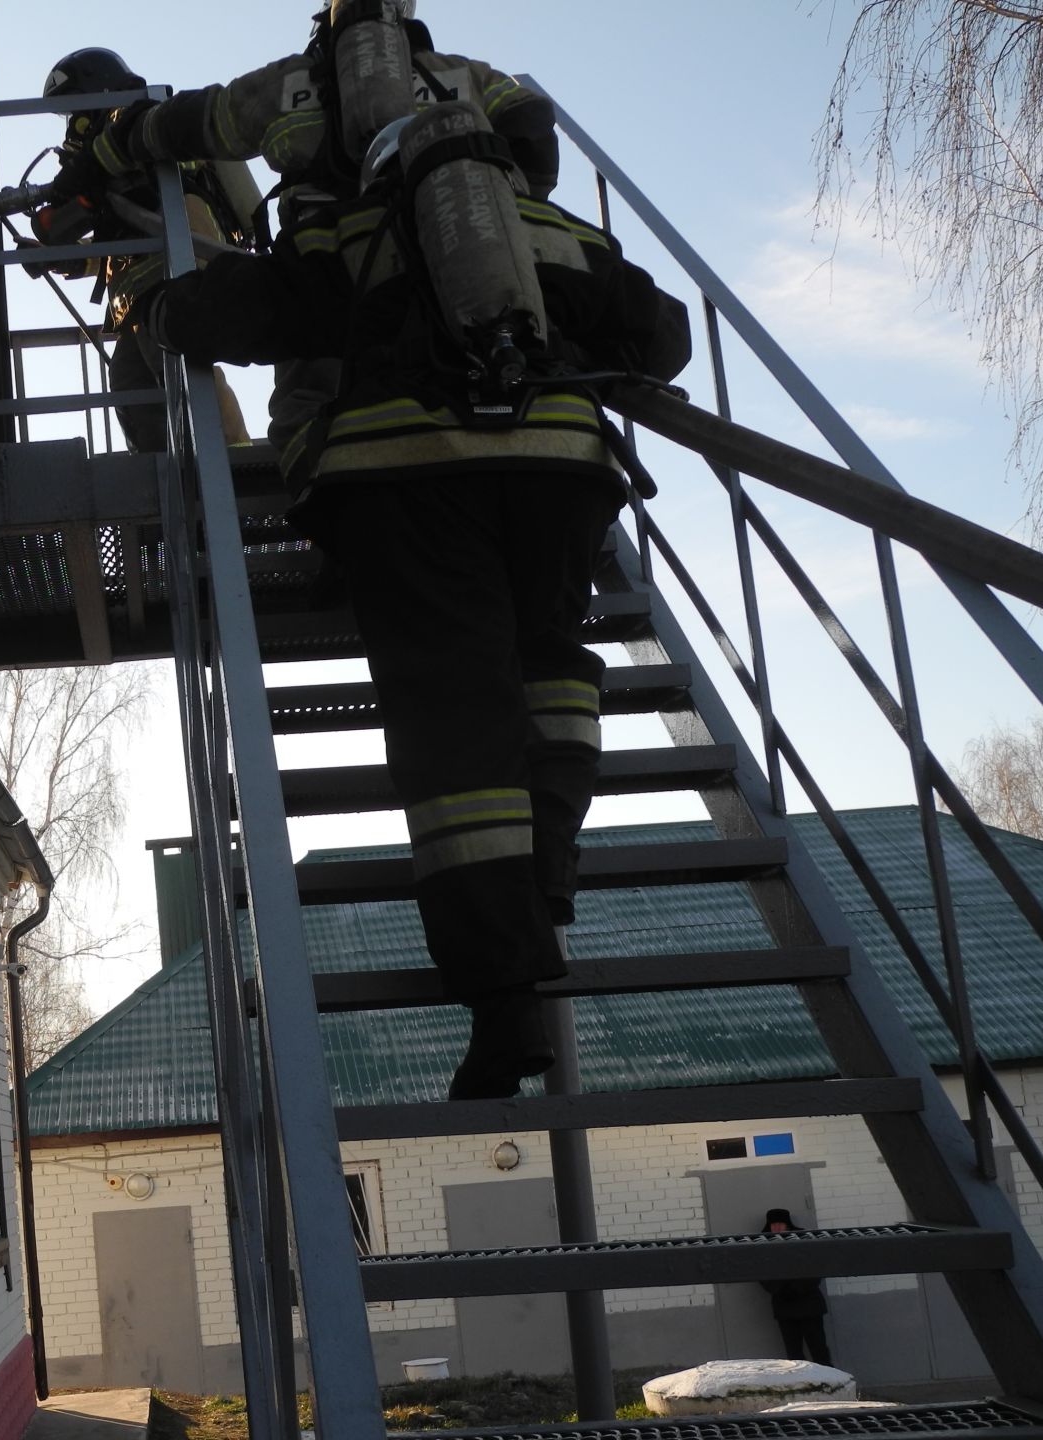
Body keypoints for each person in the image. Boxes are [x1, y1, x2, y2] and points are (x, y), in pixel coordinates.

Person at [140, 119, 691, 1099]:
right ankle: (546, 870)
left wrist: (164, 306)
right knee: (552, 676)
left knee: (458, 745)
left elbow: (246, 311)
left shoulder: (351, 229)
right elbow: (663, 338)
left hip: (408, 483)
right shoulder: (558, 227)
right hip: (562, 472)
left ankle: (503, 1001)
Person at [58, 3, 561, 460]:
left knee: (310, 419)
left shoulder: (289, 85)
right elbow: (536, 152)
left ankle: (319, 504)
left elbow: (190, 122)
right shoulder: (467, 76)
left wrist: (98, 160)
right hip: (465, 284)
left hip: (322, 283)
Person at [32, 48, 251, 452]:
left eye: (71, 112)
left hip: (175, 270)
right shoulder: (111, 158)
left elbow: (147, 215)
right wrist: (68, 257)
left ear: (94, 93)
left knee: (183, 372)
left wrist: (75, 192)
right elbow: (121, 238)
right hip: (140, 288)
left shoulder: (141, 125)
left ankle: (234, 461)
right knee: (129, 381)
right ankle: (159, 481)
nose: (71, 126)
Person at [760, 1208, 834, 1364]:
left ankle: (827, 1383)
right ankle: (811, 1384)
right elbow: (762, 1274)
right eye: (774, 1225)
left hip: (806, 1306)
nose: (777, 1228)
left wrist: (791, 1289)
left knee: (818, 1349)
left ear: (787, 1225)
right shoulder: (764, 1246)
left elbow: (814, 1270)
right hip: (790, 1306)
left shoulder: (803, 1241)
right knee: (795, 1354)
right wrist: (783, 1290)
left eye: (780, 1224)